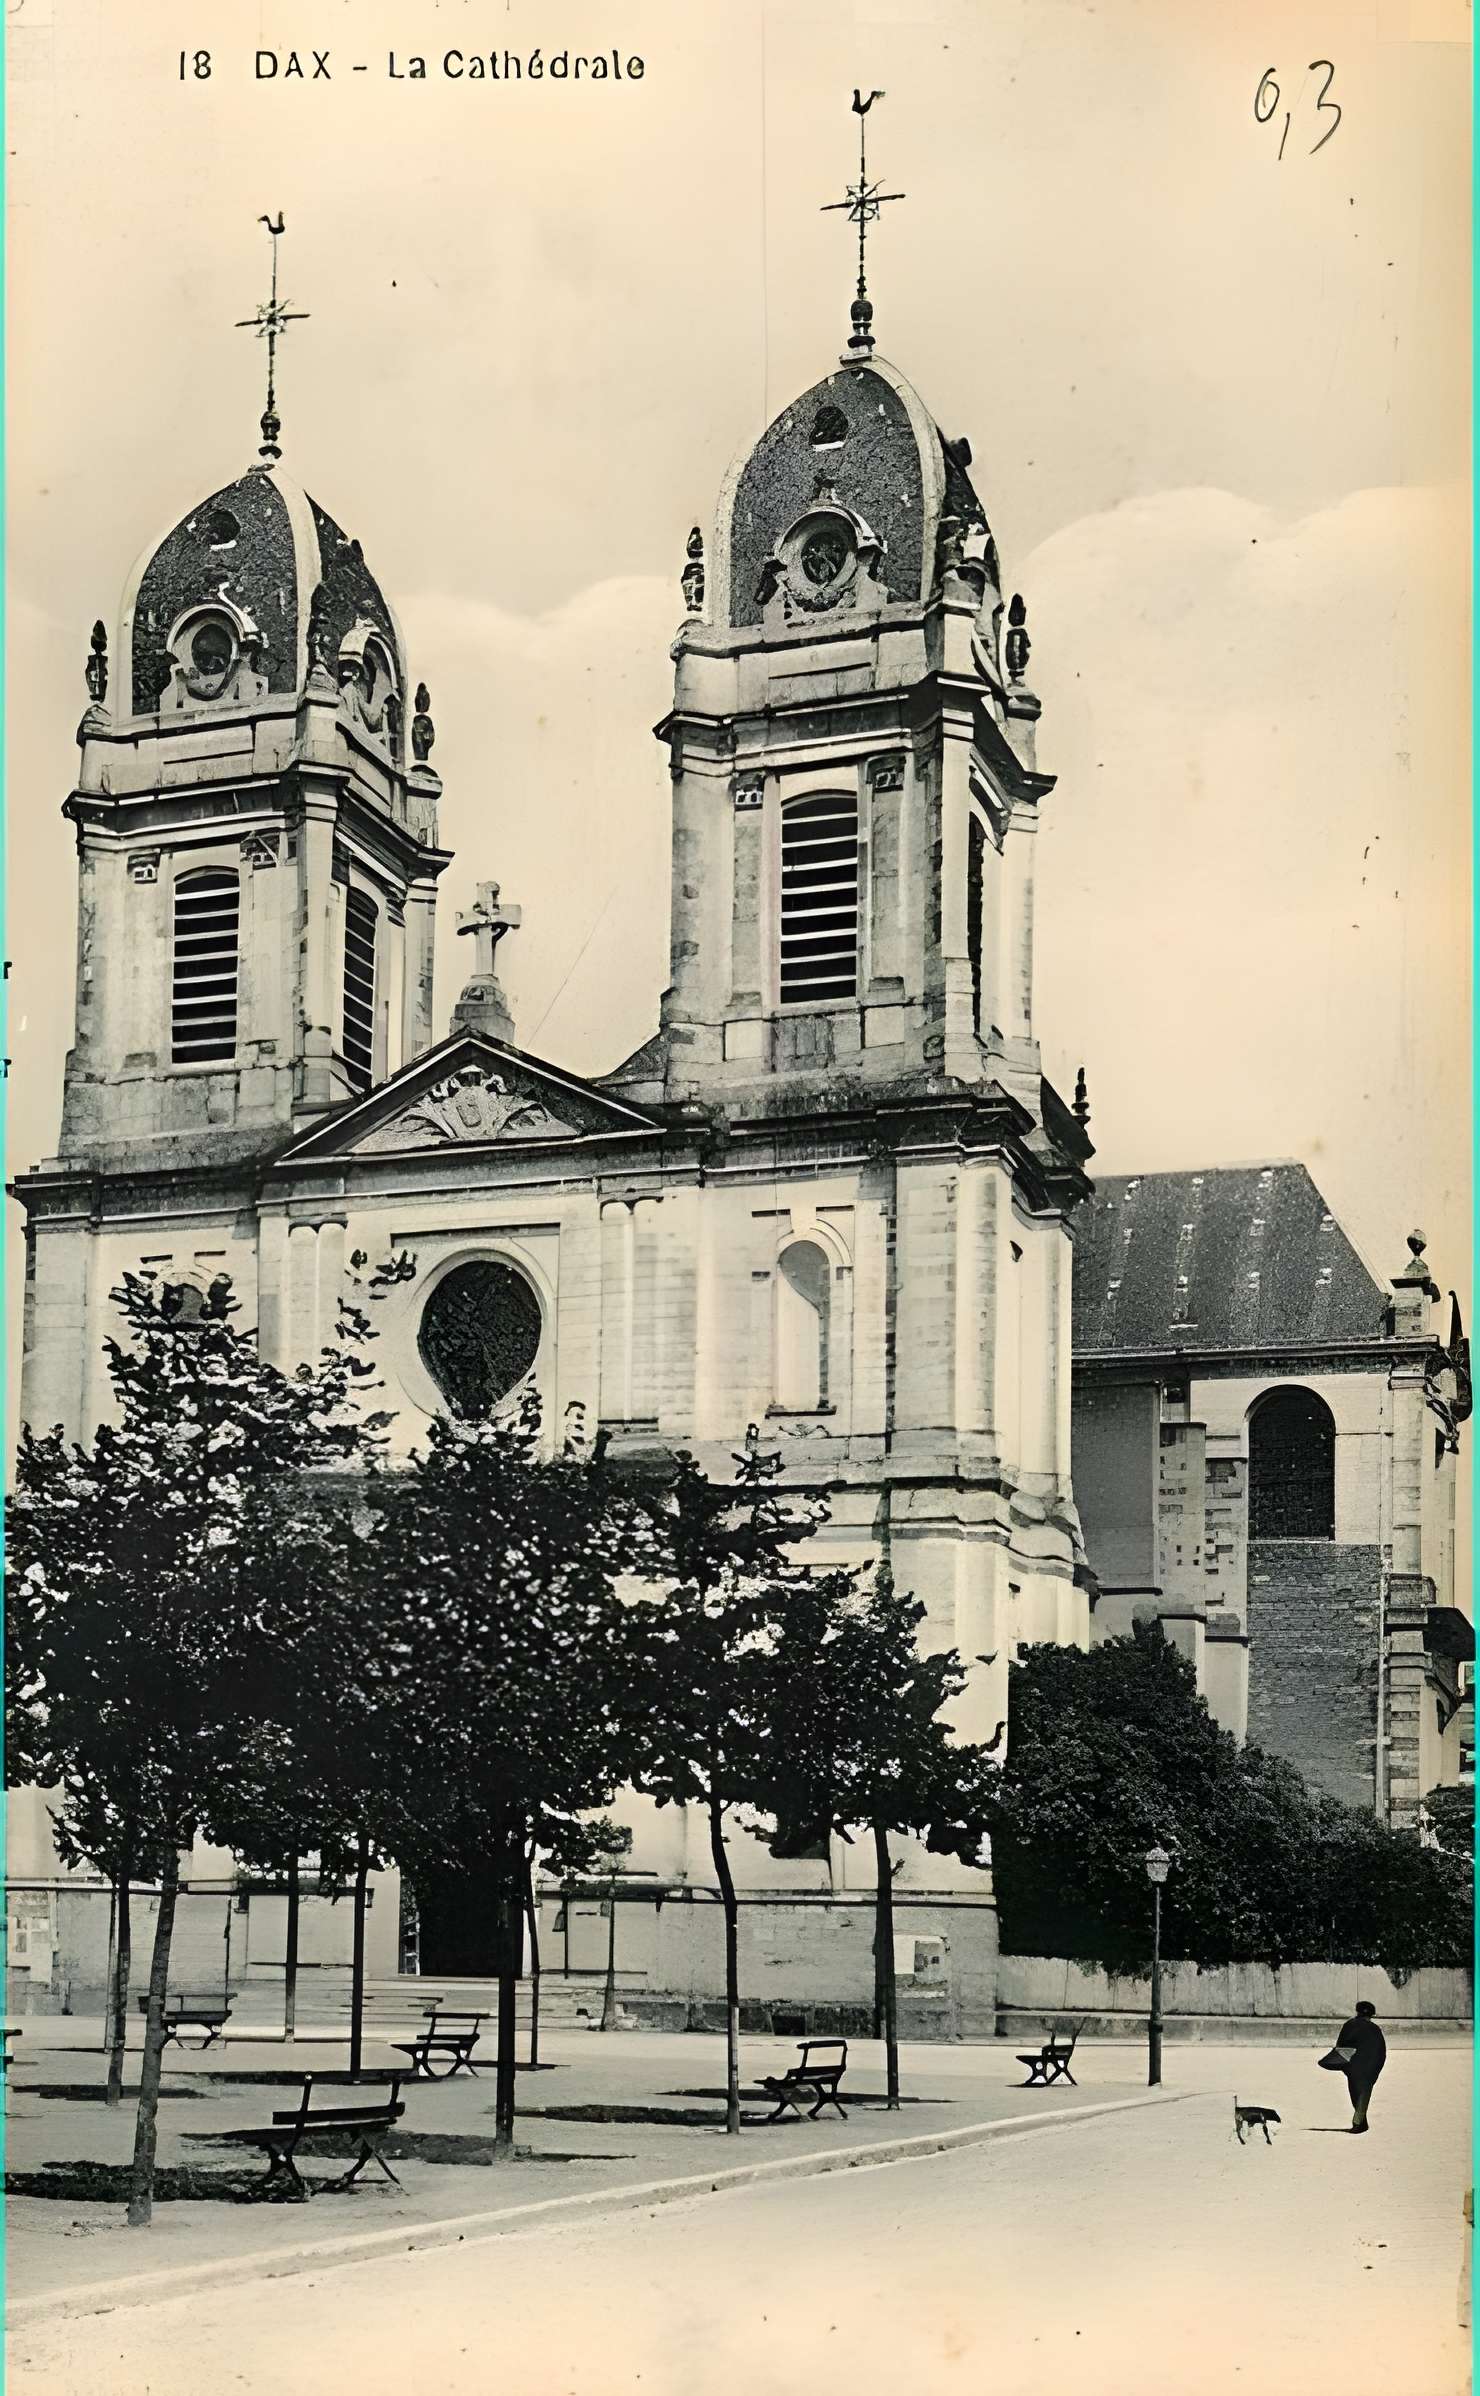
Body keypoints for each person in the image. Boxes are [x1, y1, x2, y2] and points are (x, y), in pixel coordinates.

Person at [1333, 1999, 1387, 2133]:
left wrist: (1346, 2068)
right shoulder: (1375, 2029)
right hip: (1369, 2069)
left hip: (1353, 2067)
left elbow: (1340, 2047)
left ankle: (1360, 2124)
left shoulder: (1349, 2025)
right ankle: (1360, 2124)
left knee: (1356, 2096)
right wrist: (1375, 2070)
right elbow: (1381, 2052)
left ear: (1357, 2012)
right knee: (1363, 2096)